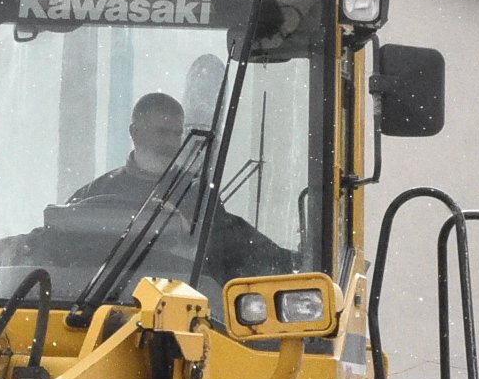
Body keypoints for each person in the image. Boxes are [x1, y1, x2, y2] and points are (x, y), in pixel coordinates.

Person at [58, 90, 299, 287]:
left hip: (179, 312)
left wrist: (296, 262)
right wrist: (23, 245)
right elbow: (58, 244)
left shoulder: (196, 195)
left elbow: (232, 248)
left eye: (177, 134)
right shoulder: (94, 193)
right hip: (100, 306)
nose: (171, 143)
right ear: (134, 132)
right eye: (162, 133)